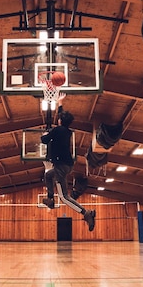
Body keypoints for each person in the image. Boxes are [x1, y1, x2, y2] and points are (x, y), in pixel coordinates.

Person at [41, 93, 96, 231]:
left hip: (60, 166)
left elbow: (44, 140)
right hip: (67, 165)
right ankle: (50, 199)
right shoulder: (66, 130)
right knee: (48, 175)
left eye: (59, 119)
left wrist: (44, 136)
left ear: (60, 121)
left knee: (64, 197)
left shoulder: (57, 130)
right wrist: (60, 103)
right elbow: (61, 117)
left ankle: (86, 213)